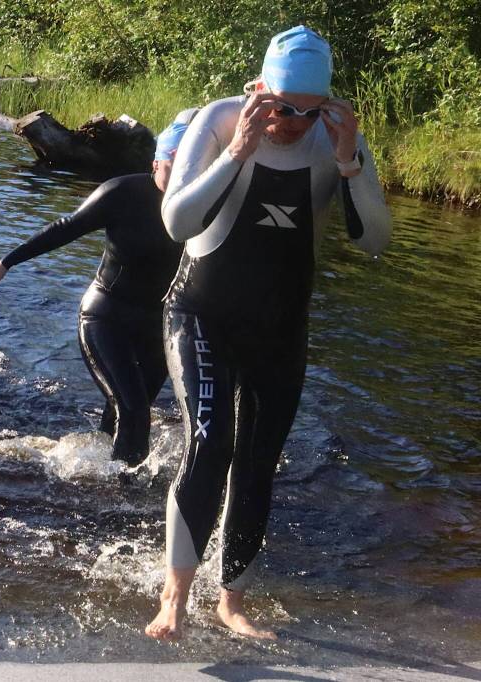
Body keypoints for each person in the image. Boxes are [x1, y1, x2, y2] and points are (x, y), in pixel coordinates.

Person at [145, 26, 391, 642]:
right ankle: (173, 597)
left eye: (309, 112)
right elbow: (176, 222)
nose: (293, 122)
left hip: (280, 327)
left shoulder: (338, 143)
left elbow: (376, 242)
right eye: (282, 107)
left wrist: (348, 161)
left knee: (258, 464)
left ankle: (231, 600)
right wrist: (237, 152)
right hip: (199, 312)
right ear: (260, 90)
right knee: (209, 441)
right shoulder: (222, 121)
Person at [0, 110, 197, 466]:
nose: (181, 179)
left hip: (157, 327)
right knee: (135, 410)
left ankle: (104, 474)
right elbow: (66, 226)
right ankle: (122, 498)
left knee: (127, 410)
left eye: (190, 168)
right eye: (174, 165)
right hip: (106, 317)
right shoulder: (122, 192)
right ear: (157, 160)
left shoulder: (199, 208)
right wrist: (7, 262)